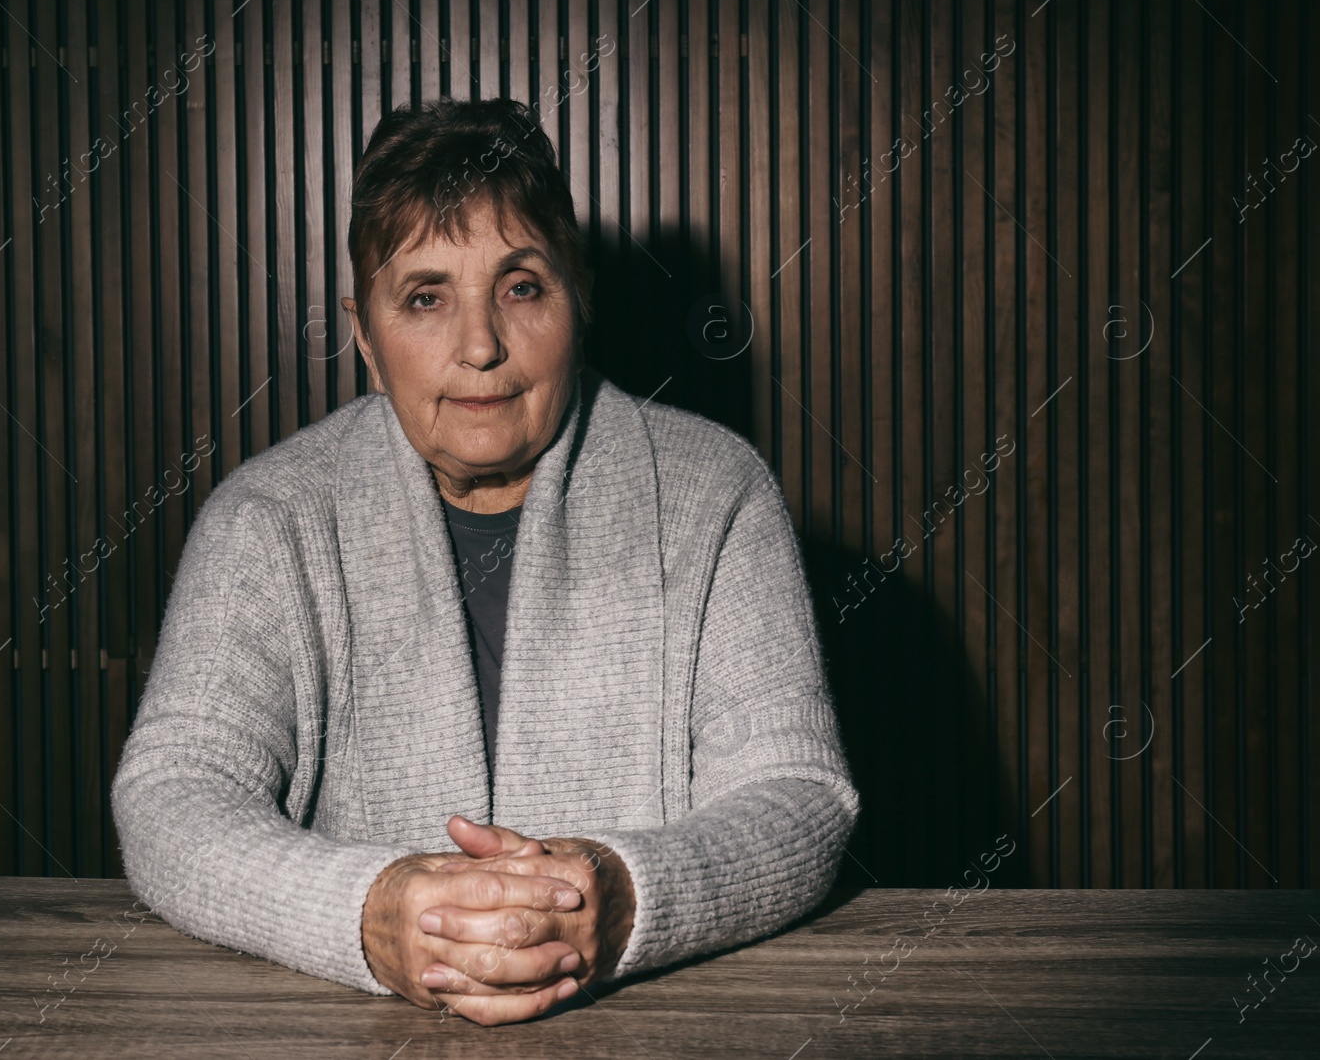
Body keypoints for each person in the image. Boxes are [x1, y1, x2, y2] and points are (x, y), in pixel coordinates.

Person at [110, 96, 858, 1027]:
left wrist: (622, 897)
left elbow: (798, 796)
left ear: (578, 298)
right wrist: (371, 912)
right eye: (425, 297)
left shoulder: (718, 491)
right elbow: (172, 797)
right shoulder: (265, 520)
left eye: (521, 286)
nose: (479, 347)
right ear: (366, 338)